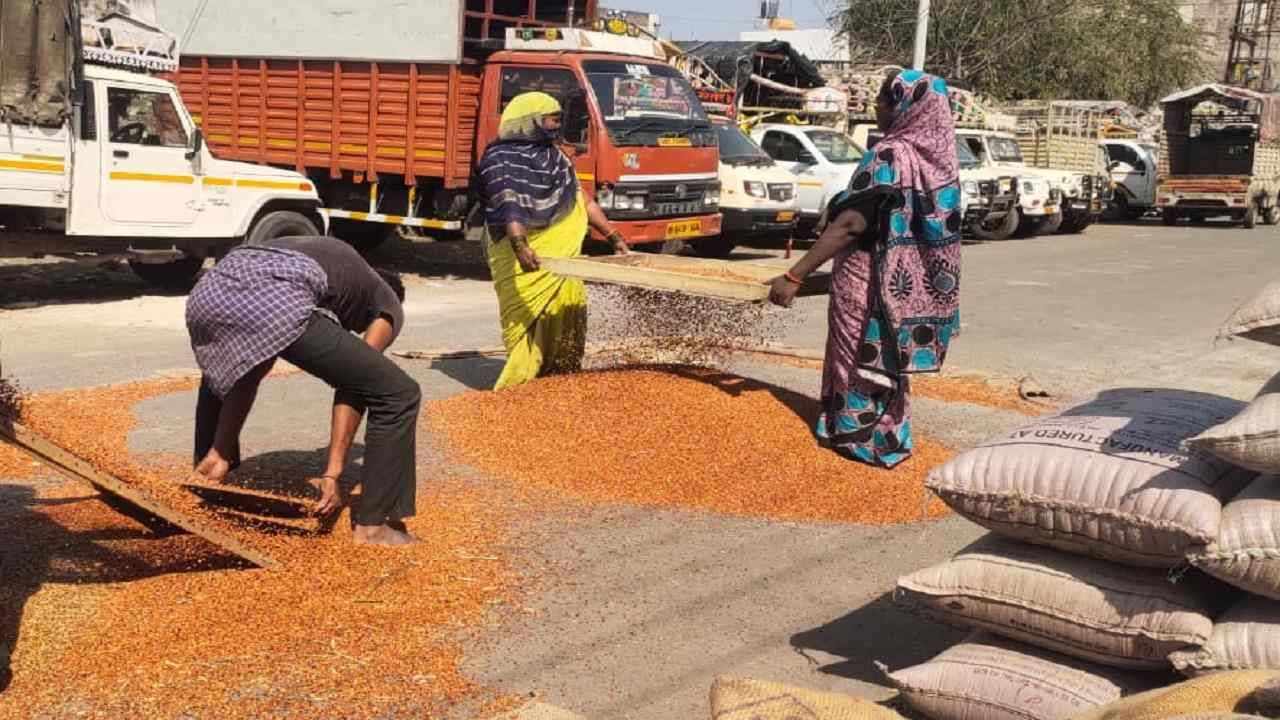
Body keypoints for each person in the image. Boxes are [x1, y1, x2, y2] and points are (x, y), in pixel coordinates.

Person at [768, 70, 962, 468]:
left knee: (854, 355)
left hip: (866, 279)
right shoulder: (938, 160)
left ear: (906, 107)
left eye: (883, 99)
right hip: (905, 288)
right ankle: (890, 433)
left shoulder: (889, 155)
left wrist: (794, 275)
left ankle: (860, 438)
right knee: (885, 358)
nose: (876, 106)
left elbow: (851, 224)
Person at [186, 236, 421, 546]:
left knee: (238, 361)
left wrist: (222, 447)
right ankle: (373, 527)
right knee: (398, 393)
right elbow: (357, 385)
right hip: (273, 298)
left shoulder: (326, 260)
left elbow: (249, 369)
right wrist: (333, 473)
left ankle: (209, 471)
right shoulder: (387, 301)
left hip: (208, 291)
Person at [476, 91, 630, 390]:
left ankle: (557, 382)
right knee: (525, 317)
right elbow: (509, 203)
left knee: (566, 309)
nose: (556, 124)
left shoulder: (557, 157)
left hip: (561, 255)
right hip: (520, 252)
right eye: (550, 119)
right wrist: (520, 245)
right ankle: (520, 382)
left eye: (558, 119)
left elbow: (582, 200)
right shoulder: (498, 158)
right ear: (528, 121)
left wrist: (614, 237)